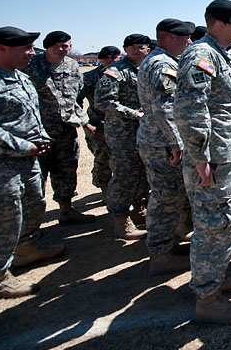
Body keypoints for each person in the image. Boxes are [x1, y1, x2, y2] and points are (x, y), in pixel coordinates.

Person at [174, 0, 231, 324]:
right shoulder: (202, 55)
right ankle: (207, 300)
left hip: (224, 156)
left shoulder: (217, 54)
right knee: (214, 227)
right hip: (213, 161)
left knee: (223, 223)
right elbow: (190, 107)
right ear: (220, 23)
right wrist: (199, 157)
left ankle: (213, 281)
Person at [0, 27, 66, 298]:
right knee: (3, 219)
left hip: (29, 159)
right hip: (0, 166)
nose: (31, 54)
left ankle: (25, 250)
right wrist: (25, 146)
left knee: (33, 206)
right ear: (1, 48)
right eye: (26, 49)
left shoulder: (21, 77)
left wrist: (39, 140)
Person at [136, 18, 194, 274]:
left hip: (160, 140)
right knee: (165, 198)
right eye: (185, 36)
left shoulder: (162, 60)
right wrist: (176, 142)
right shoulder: (162, 64)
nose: (189, 41)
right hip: (162, 143)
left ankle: (167, 245)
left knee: (169, 196)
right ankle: (161, 256)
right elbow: (164, 108)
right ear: (170, 37)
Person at [22, 31, 94, 224]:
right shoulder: (30, 65)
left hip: (66, 129)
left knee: (67, 170)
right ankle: (31, 223)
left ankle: (66, 210)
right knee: (36, 177)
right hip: (39, 131)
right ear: (47, 46)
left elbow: (75, 97)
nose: (62, 49)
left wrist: (83, 121)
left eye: (66, 46)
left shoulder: (71, 65)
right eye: (58, 46)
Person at [96, 33, 151, 239]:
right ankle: (121, 222)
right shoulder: (115, 71)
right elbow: (103, 101)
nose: (138, 50)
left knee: (143, 172)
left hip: (145, 130)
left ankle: (139, 211)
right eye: (133, 47)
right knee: (124, 174)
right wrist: (133, 113)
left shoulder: (147, 68)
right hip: (122, 132)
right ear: (125, 49)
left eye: (142, 47)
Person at [78, 45, 121, 198]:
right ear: (101, 59)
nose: (113, 61)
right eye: (109, 58)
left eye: (116, 57)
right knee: (103, 159)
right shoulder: (90, 77)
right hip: (99, 126)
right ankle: (104, 190)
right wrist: (84, 123)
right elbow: (76, 101)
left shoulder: (122, 74)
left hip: (121, 126)